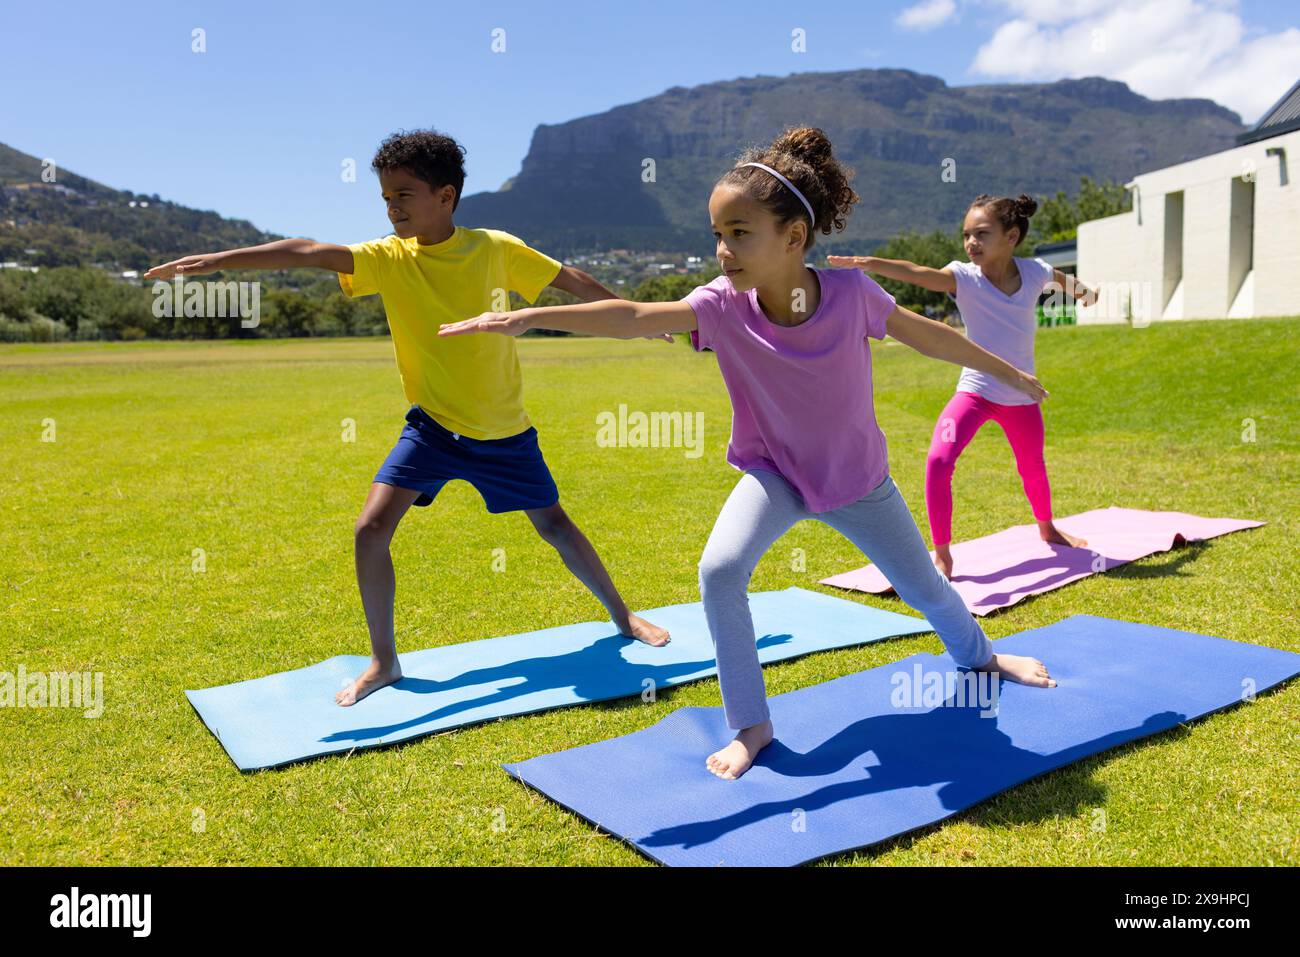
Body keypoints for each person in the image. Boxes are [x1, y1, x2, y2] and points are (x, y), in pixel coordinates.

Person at [439, 127, 1058, 781]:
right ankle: (753, 725)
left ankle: (981, 658)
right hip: (775, 474)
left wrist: (1010, 372)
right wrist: (527, 319)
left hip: (857, 479)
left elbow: (932, 337)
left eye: (739, 232)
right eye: (718, 233)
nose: (723, 249)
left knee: (924, 587)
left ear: (793, 237)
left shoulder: (852, 296)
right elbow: (634, 315)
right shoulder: (719, 304)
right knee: (719, 570)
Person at [145, 129, 670, 707]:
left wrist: (638, 319)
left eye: (405, 194)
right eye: (386, 198)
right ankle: (384, 661)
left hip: (502, 433)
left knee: (554, 526)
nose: (393, 207)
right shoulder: (387, 259)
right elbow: (307, 251)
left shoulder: (494, 248)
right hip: (432, 429)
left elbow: (572, 283)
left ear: (445, 196)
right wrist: (218, 261)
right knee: (370, 528)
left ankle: (623, 617)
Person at [829, 194, 1098, 578]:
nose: (971, 242)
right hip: (975, 391)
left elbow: (1061, 280)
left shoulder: (1035, 271)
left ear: (1012, 236)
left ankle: (1047, 527)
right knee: (939, 460)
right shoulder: (964, 277)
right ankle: (942, 554)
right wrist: (865, 264)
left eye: (982, 234)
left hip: (1021, 397)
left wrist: (1085, 293)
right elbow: (917, 272)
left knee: (1032, 467)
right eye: (966, 234)